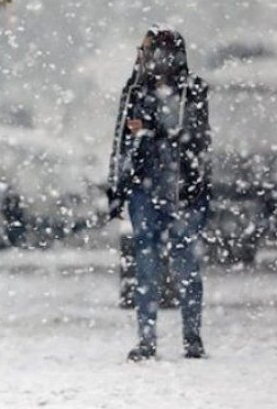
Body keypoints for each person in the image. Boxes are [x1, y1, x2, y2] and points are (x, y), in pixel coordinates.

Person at [107, 26, 211, 361]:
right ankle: (148, 339)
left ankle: (191, 337)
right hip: (145, 187)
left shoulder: (190, 90)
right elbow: (123, 139)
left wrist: (150, 131)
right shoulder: (135, 89)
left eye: (147, 50)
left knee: (184, 264)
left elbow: (192, 136)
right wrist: (117, 187)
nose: (142, 56)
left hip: (182, 189)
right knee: (147, 263)